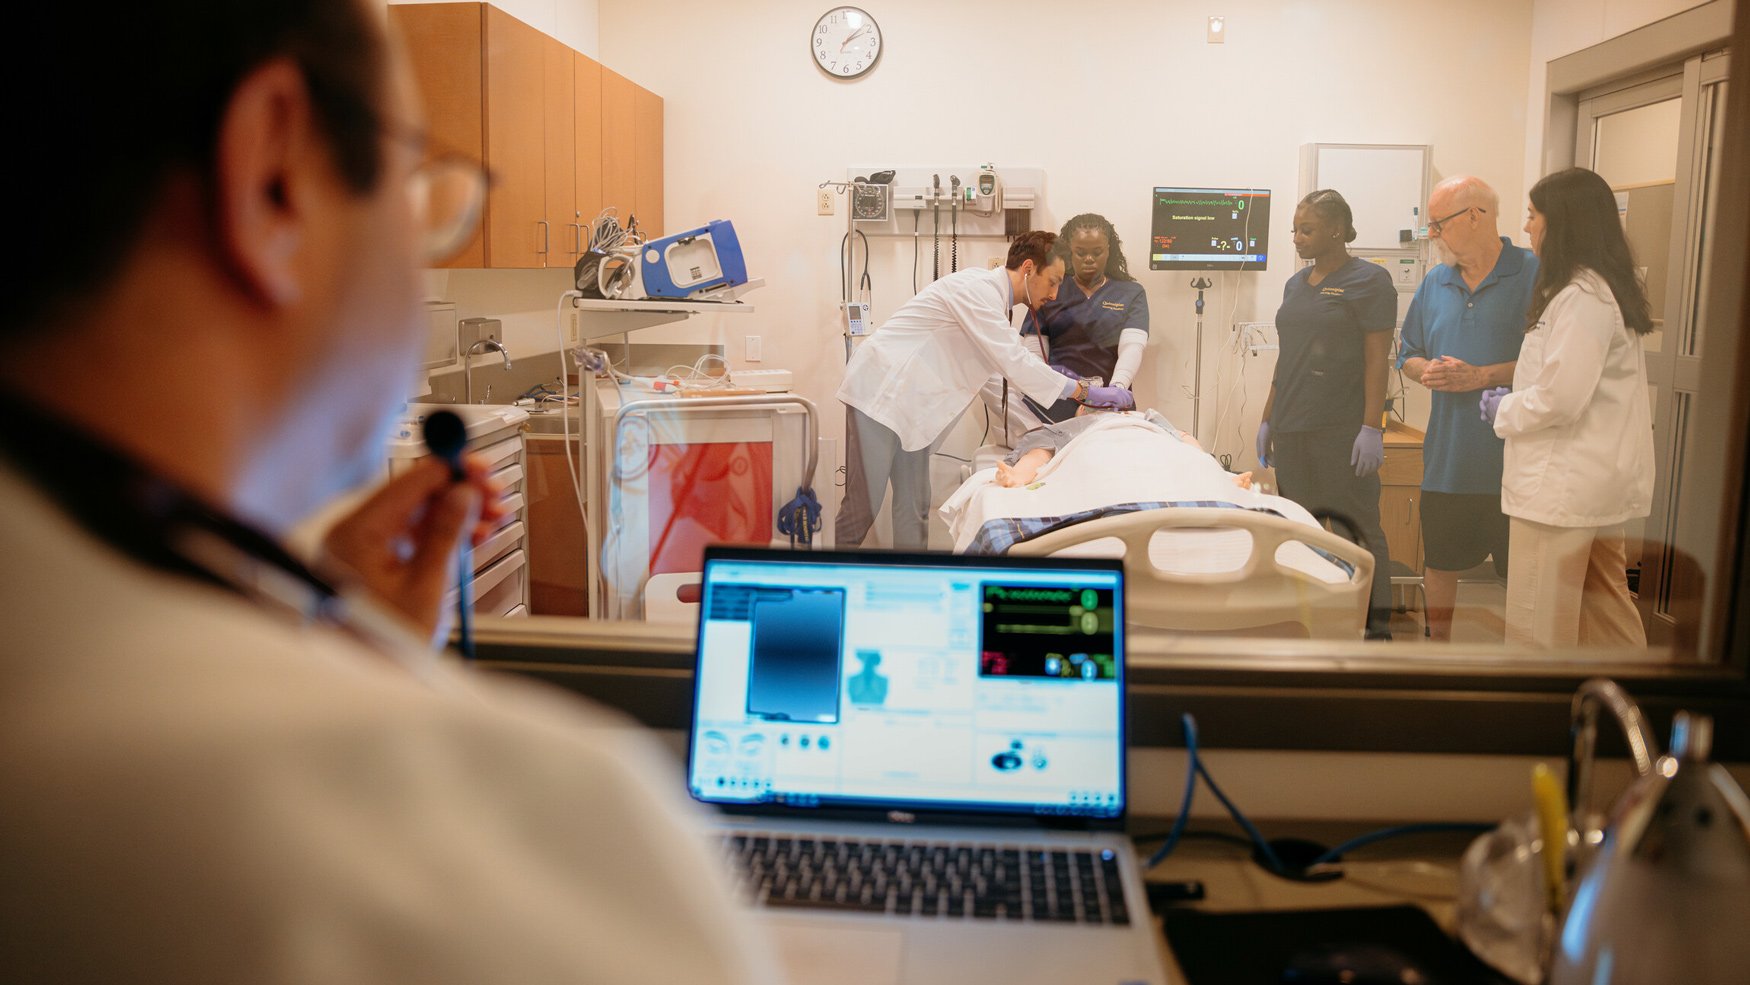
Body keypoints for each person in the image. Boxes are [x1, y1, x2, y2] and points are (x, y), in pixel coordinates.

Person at [0, 4, 774, 983]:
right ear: (273, 175)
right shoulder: (532, 834)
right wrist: (376, 696)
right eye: (420, 187)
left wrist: (339, 636)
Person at [836, 230, 1134, 549]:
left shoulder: (995, 309)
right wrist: (1083, 392)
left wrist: (1041, 433)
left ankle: (912, 575)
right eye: (1053, 281)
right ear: (1029, 268)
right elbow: (1014, 361)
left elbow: (996, 381)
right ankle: (824, 575)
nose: (1055, 293)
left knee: (915, 506)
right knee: (863, 505)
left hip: (910, 411)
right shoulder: (976, 290)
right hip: (880, 395)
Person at [1481, 167, 1655, 648]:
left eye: (1533, 215)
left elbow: (1561, 397)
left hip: (1561, 490)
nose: (1526, 227)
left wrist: (1504, 409)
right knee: (1606, 612)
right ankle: (1635, 690)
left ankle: (1538, 700)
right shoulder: (1597, 289)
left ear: (1563, 222)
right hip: (1588, 486)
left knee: (1537, 623)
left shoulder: (1582, 296)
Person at [1397, 176, 1538, 640]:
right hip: (1449, 463)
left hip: (1519, 465)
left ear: (1476, 216)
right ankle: (1438, 656)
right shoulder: (1435, 281)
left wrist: (1481, 376)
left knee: (1523, 577)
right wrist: (1425, 371)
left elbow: (1553, 365)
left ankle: (1521, 664)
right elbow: (1408, 353)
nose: (1433, 235)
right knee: (1440, 564)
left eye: (1439, 224)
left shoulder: (1535, 275)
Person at [1257, 189, 1397, 638]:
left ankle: (1376, 629)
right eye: (1295, 230)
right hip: (1292, 427)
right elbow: (1288, 359)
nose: (1297, 238)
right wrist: (1267, 419)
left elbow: (1378, 360)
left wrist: (1371, 427)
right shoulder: (1296, 285)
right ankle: (1316, 624)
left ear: (1336, 230)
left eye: (1307, 229)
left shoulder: (1370, 281)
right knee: (1303, 528)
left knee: (1359, 530)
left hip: (1340, 429)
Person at [1015, 213, 1151, 423]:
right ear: (1068, 252)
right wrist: (1059, 387)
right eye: (1080, 252)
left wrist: (1114, 392)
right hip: (1055, 402)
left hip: (1111, 406)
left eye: (1097, 252)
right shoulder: (1050, 289)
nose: (1089, 259)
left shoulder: (1131, 293)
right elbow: (1034, 355)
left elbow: (1132, 348)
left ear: (1109, 251)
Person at [993, 409, 1252, 490]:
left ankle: (1220, 483)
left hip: (1150, 449)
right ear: (1080, 410)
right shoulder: (1073, 427)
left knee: (1181, 461)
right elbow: (1040, 451)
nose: (1108, 406)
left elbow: (1186, 444)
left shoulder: (1147, 419)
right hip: (1097, 451)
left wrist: (1218, 474)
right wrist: (1019, 474)